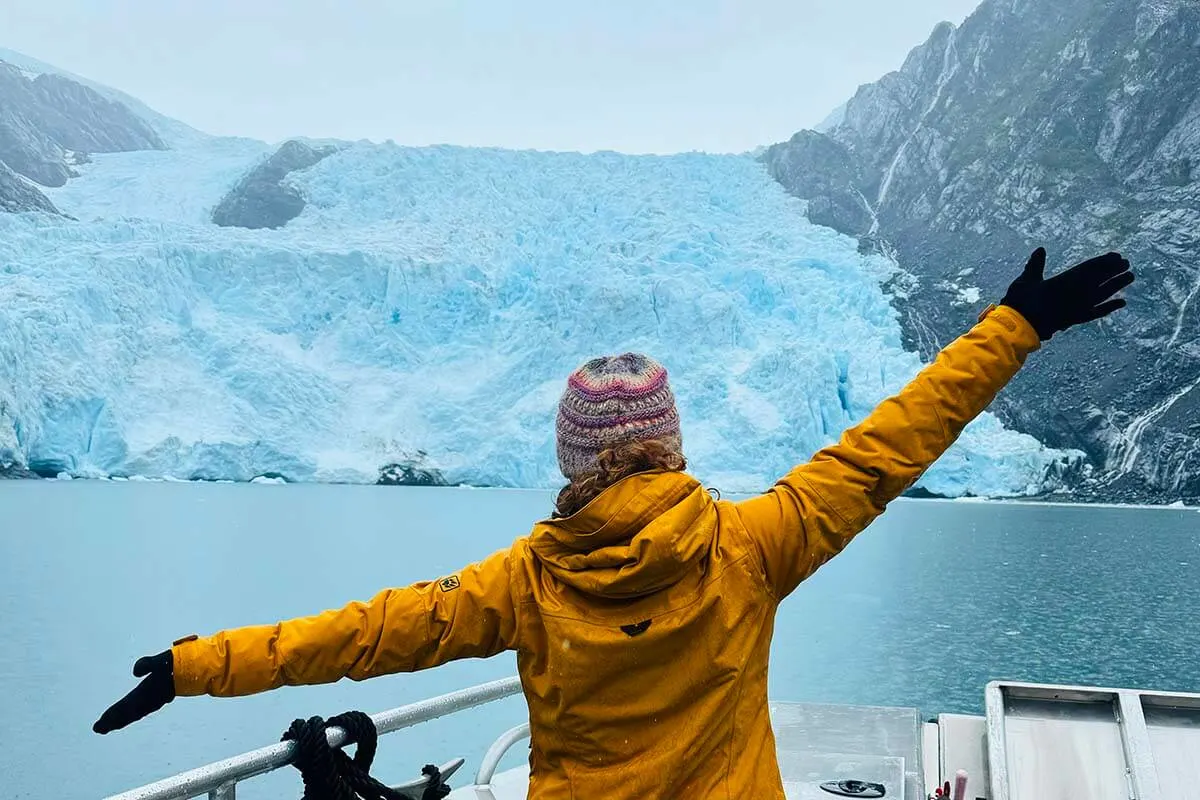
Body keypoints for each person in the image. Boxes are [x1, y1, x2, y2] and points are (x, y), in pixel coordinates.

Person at [94, 248, 1133, 799]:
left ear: (573, 458)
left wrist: (197, 663)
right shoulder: (758, 542)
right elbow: (888, 443)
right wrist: (1016, 325)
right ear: (670, 445)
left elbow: (364, 632)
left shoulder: (524, 583)